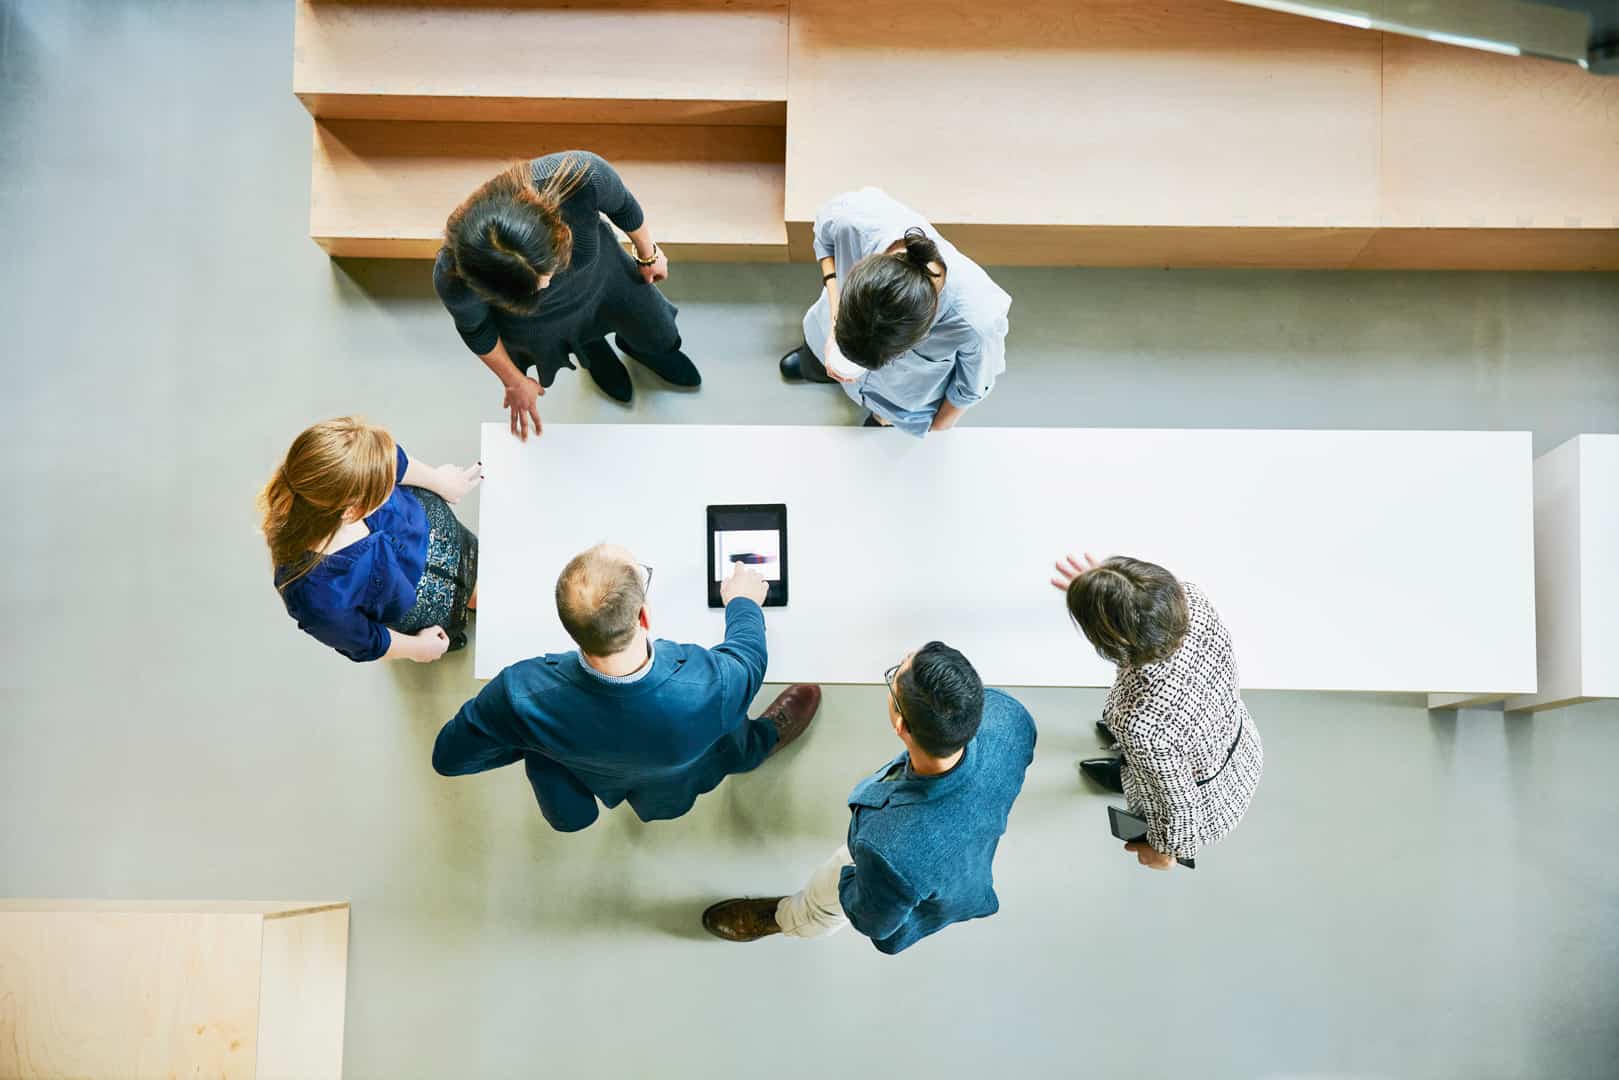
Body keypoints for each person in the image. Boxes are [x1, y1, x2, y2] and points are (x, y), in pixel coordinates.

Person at [431, 545, 820, 831]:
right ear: (645, 615)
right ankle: (760, 744)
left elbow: (450, 758)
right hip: (679, 772)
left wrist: (533, 741)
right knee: (731, 730)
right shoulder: (709, 681)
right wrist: (744, 603)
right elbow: (749, 656)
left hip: (595, 773)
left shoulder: (518, 694)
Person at [701, 643, 1036, 954]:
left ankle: (786, 918)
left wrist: (851, 878)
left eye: (894, 678)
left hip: (907, 870)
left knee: (825, 898)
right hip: (961, 845)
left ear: (901, 724)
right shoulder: (1010, 716)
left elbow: (873, 920)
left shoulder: (887, 848)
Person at [434, 150, 701, 437]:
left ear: (555, 229)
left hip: (604, 278)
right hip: (537, 321)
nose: (546, 286)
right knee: (582, 342)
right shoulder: (454, 276)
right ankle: (593, 352)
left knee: (661, 334)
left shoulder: (580, 178)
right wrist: (514, 382)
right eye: (532, 287)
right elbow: (477, 330)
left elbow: (623, 205)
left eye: (546, 273)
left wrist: (648, 253)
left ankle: (640, 348)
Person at [1051, 553, 1264, 870]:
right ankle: (1132, 765)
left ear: (1117, 639)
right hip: (1231, 739)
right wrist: (1107, 594)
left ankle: (1132, 770)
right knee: (1146, 751)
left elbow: (1178, 802)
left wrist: (1167, 852)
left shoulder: (1139, 724)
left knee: (1148, 759)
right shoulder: (1192, 598)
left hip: (1207, 795)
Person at [777, 187, 1010, 436]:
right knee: (815, 359)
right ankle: (815, 364)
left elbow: (971, 388)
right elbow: (824, 237)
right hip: (825, 331)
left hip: (896, 400)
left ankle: (881, 417)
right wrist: (835, 317)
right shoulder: (854, 220)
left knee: (880, 429)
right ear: (860, 270)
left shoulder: (977, 321)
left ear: (922, 335)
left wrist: (937, 428)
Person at [260, 417, 482, 663]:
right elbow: (364, 639)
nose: (392, 480)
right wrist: (417, 648)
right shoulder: (312, 594)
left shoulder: (351, 461)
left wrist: (440, 482)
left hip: (433, 532)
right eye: (384, 486)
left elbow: (393, 460)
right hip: (419, 602)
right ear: (352, 511)